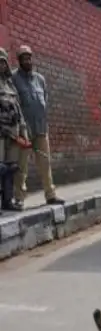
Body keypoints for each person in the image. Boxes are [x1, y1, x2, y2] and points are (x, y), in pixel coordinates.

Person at [12, 45, 64, 208]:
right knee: (22, 166)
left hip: (41, 129)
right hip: (24, 131)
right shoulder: (14, 78)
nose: (27, 61)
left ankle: (50, 195)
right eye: (24, 58)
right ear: (19, 61)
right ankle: (19, 198)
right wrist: (20, 128)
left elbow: (45, 100)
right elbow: (14, 103)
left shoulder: (40, 79)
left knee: (45, 163)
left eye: (29, 57)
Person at [0, 47, 27, 213]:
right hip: (1, 134)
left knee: (11, 168)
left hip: (14, 133)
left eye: (3, 62)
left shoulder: (10, 83)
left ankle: (7, 201)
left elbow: (18, 109)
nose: (1, 65)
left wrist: (23, 131)